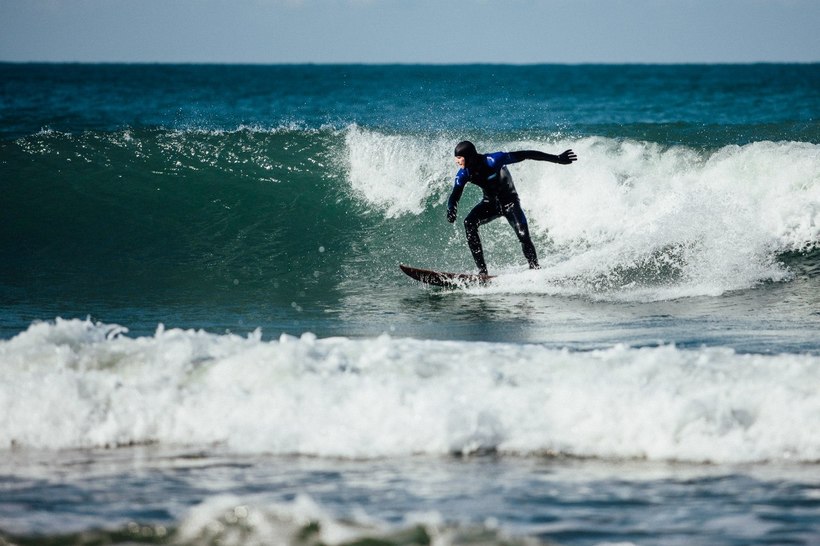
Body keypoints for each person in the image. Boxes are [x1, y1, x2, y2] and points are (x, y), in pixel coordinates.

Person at [447, 141, 577, 275]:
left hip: (510, 202)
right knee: (469, 223)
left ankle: (535, 269)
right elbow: (455, 195)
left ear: (469, 156)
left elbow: (526, 154)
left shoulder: (493, 160)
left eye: (459, 158)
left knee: (523, 235)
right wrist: (452, 208)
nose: (456, 161)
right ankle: (482, 272)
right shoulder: (463, 174)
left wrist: (557, 159)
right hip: (490, 204)